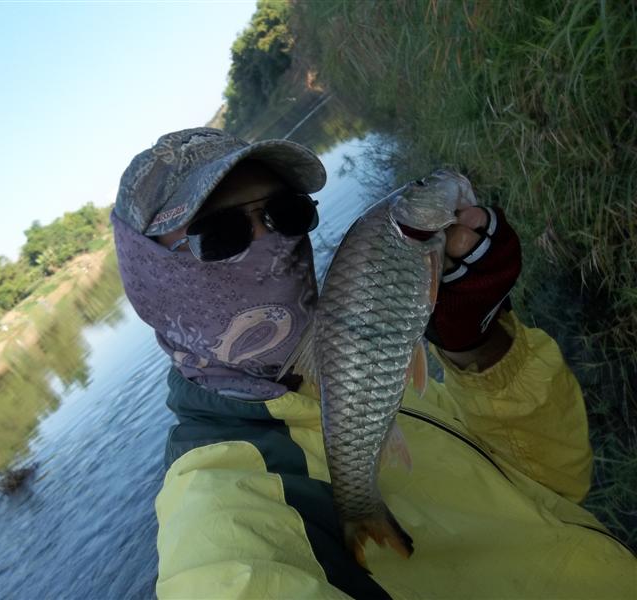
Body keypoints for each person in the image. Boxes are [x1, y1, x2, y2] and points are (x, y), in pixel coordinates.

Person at [111, 128, 635, 599]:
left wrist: (476, 342)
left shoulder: (365, 354)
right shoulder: (219, 511)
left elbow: (557, 479)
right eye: (220, 234)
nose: (270, 243)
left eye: (284, 215)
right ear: (153, 278)